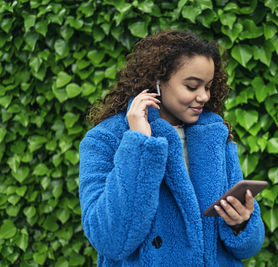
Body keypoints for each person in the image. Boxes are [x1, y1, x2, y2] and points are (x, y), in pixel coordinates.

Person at [79, 30, 265, 266]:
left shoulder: (214, 135)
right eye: (191, 86)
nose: (204, 97)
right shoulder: (106, 139)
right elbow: (108, 239)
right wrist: (138, 144)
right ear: (158, 82)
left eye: (207, 87)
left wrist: (242, 222)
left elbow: (248, 246)